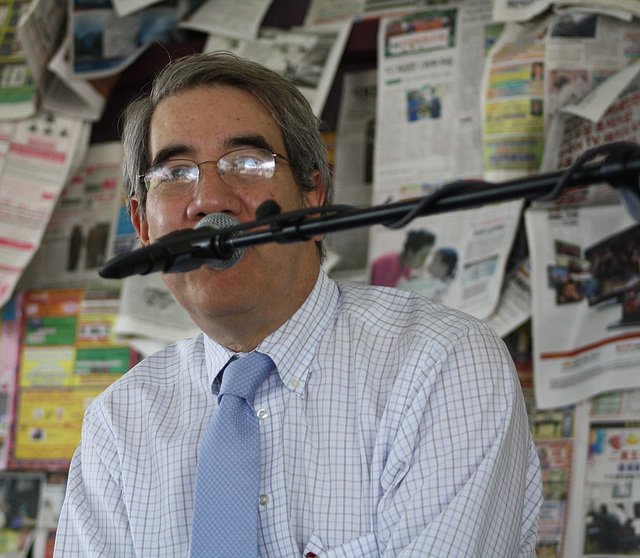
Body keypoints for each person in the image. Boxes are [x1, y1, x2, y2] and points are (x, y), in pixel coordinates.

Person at [54, 51, 542, 557]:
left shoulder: (440, 364)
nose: (209, 200)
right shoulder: (120, 422)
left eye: (246, 163)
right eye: (174, 173)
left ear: (314, 193)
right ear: (142, 225)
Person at [370, 229, 436, 287]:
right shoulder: (389, 262)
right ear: (410, 253)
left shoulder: (406, 269)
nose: (424, 261)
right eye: (422, 256)